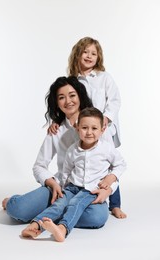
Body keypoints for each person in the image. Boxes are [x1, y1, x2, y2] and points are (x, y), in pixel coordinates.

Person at [2, 76, 115, 230]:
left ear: (80, 96)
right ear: (57, 102)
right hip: (61, 188)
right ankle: (16, 202)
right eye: (61, 97)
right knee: (18, 210)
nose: (68, 101)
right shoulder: (55, 130)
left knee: (96, 217)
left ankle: (48, 215)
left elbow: (115, 167)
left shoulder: (98, 124)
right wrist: (52, 183)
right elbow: (39, 166)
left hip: (91, 191)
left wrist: (108, 189)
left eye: (72, 95)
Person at [47, 37, 126, 218]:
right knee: (84, 159)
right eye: (85, 52)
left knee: (109, 162)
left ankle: (115, 204)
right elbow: (68, 103)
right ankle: (76, 194)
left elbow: (115, 100)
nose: (89, 56)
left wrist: (106, 117)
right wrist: (56, 121)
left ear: (99, 57)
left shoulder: (104, 78)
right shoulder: (73, 80)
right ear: (77, 55)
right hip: (84, 129)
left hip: (102, 127)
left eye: (93, 53)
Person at [21, 107, 126, 242]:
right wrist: (63, 189)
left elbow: (121, 164)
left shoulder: (106, 149)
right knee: (58, 205)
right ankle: (35, 226)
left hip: (91, 189)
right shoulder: (73, 150)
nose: (89, 132)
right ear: (77, 128)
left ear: (102, 130)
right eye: (84, 128)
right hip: (71, 187)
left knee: (75, 204)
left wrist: (111, 177)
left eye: (94, 128)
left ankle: (62, 229)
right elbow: (66, 171)